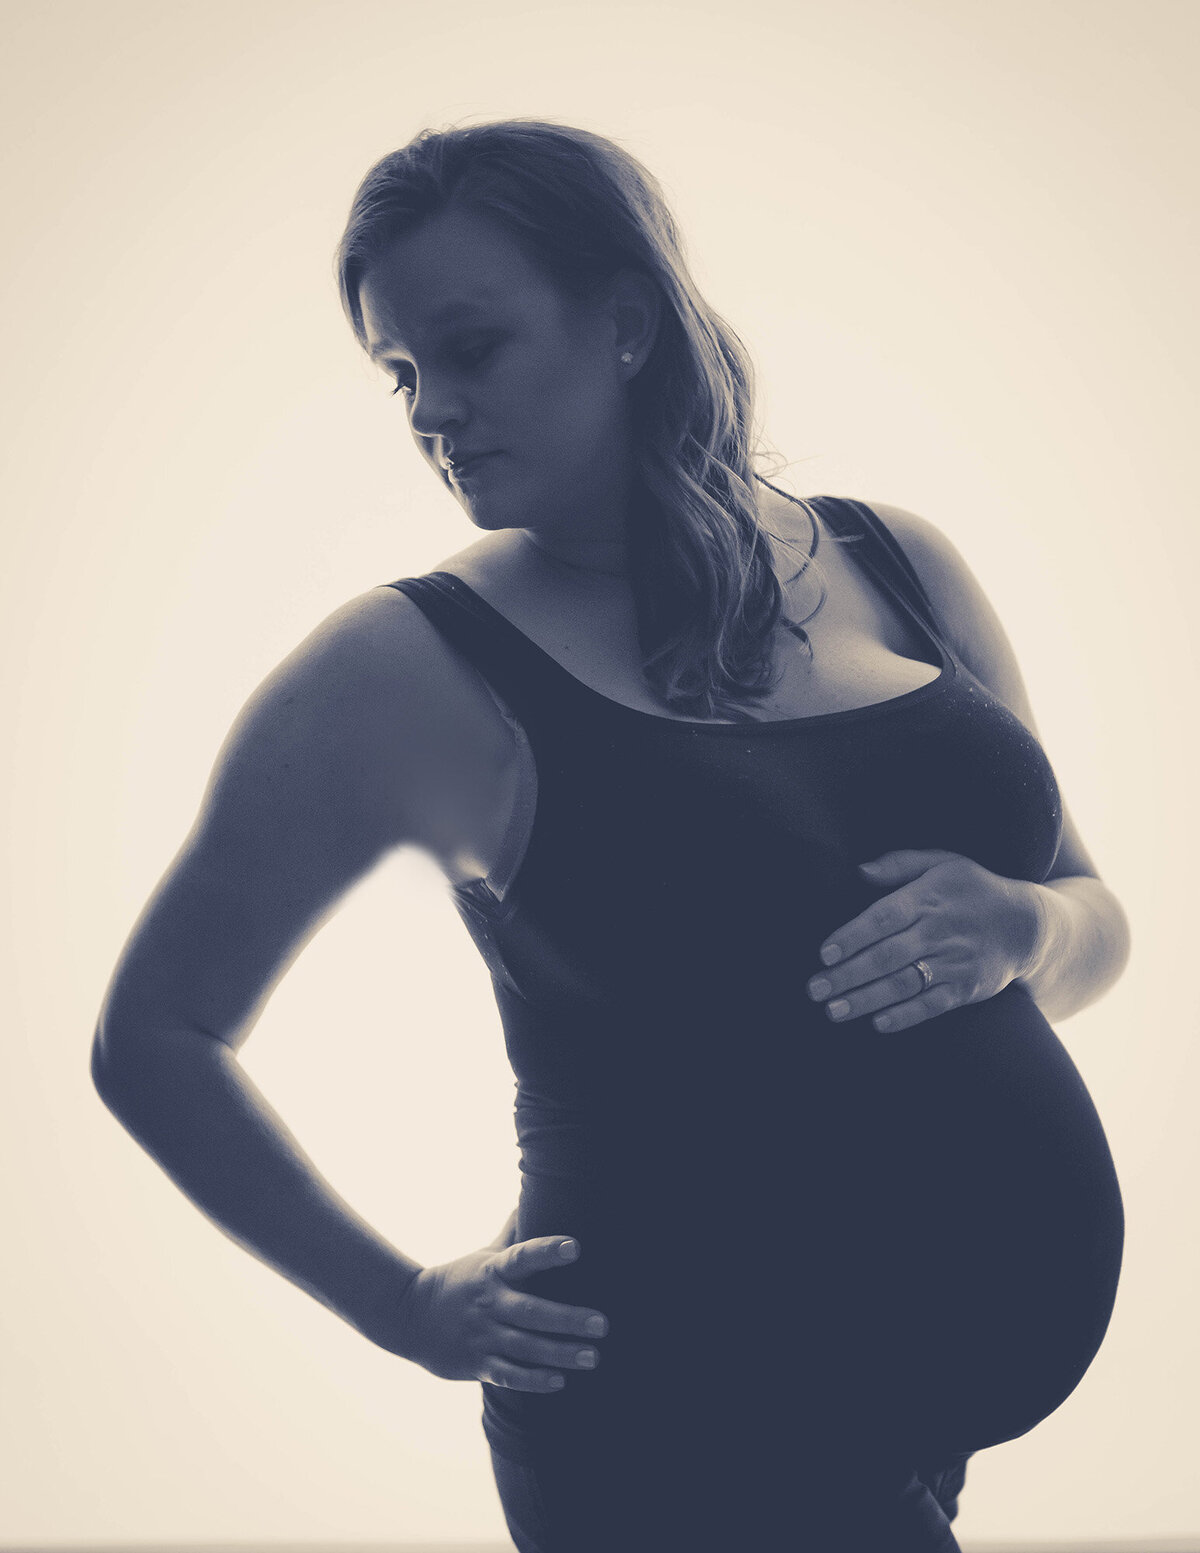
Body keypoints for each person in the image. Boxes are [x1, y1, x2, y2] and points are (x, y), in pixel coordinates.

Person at [91, 118, 1129, 1552]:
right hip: (677, 1432)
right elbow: (153, 1034)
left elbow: (1087, 911)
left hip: (909, 1425)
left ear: (626, 322)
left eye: (472, 348)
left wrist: (1030, 926)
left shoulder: (900, 562)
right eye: (401, 371)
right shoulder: (408, 667)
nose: (431, 409)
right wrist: (398, 1303)